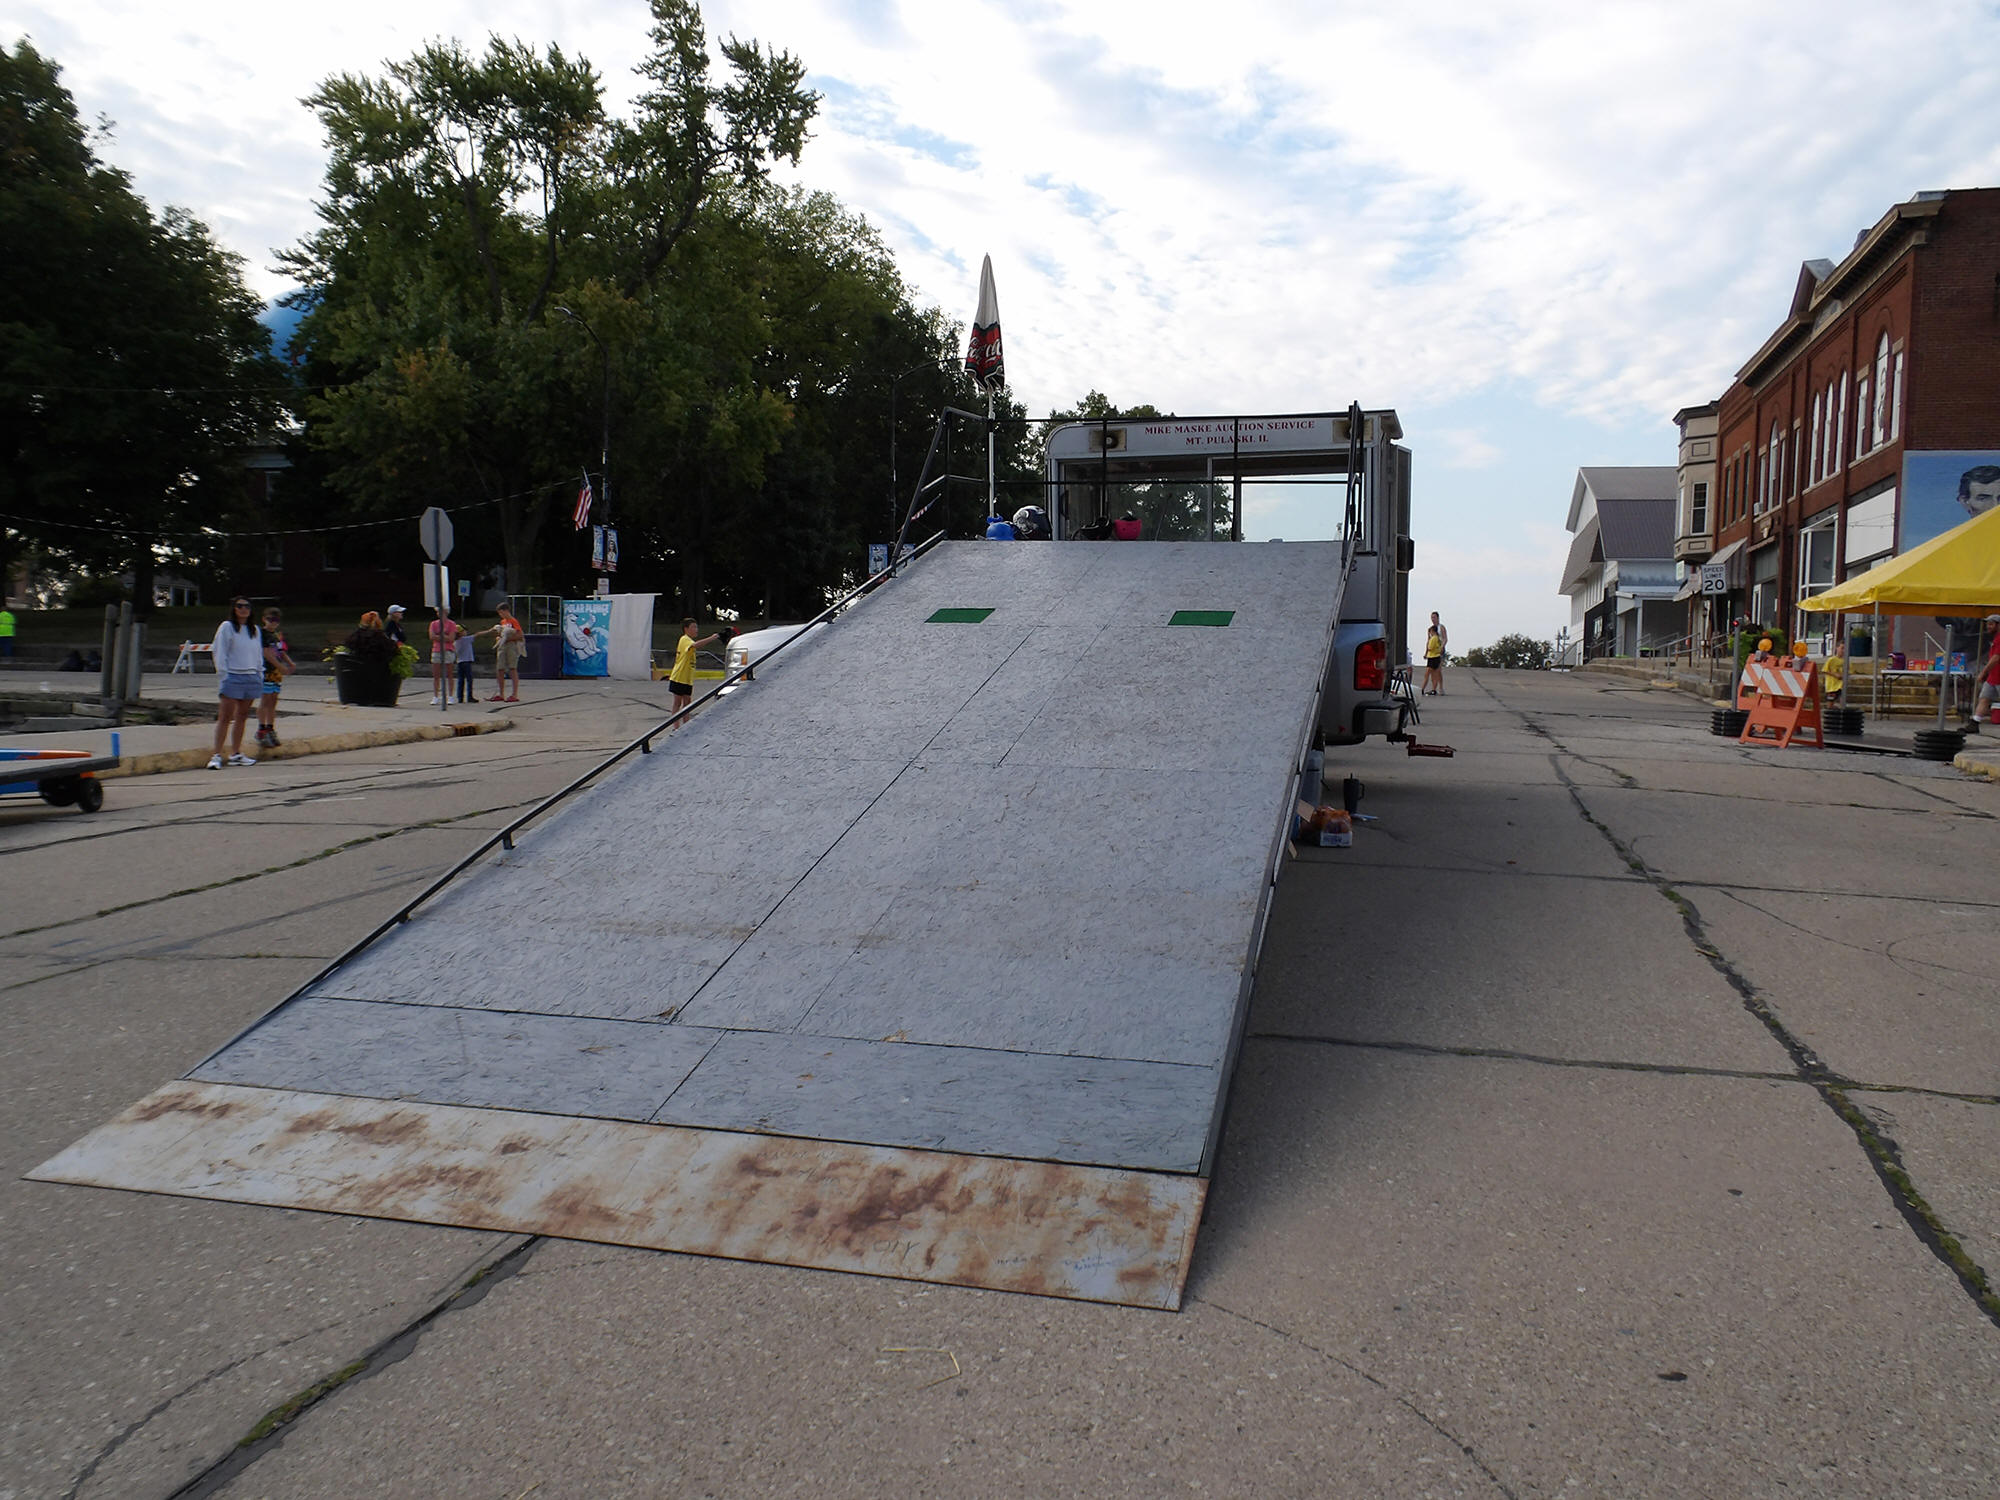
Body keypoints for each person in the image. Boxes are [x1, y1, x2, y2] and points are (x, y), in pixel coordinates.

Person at [208, 596, 275, 769]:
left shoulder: (255, 630)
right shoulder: (227, 627)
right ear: (234, 608)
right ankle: (216, 755)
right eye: (240, 606)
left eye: (247, 606)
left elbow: (258, 653)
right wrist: (223, 674)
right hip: (233, 676)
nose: (244, 609)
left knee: (242, 716)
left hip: (251, 676)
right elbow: (220, 651)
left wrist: (259, 673)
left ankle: (236, 753)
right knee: (225, 716)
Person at [254, 606, 294, 748]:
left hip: (276, 673)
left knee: (273, 700)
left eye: (276, 620)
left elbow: (280, 651)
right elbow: (266, 653)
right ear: (264, 619)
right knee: (265, 700)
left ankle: (270, 728)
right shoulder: (262, 634)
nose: (273, 622)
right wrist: (280, 666)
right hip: (266, 670)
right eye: (270, 619)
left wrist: (290, 663)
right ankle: (261, 729)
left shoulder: (276, 635)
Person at [668, 617, 720, 723]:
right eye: (693, 627)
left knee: (687, 703)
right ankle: (676, 727)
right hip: (679, 677)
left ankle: (686, 725)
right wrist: (711, 638)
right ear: (686, 629)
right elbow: (696, 645)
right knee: (677, 702)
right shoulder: (684, 639)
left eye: (696, 627)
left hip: (687, 679)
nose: (696, 629)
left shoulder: (688, 641)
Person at [427, 605, 463, 705]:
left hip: (448, 650)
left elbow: (451, 638)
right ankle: (435, 696)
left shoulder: (451, 624)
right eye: (438, 612)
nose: (439, 614)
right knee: (436, 675)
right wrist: (443, 636)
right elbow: (431, 636)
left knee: (449, 674)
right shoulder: (433, 624)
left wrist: (439, 636)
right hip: (437, 649)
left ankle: (450, 696)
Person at [489, 606, 525, 702]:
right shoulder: (503, 622)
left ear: (506, 611)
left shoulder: (513, 621)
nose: (501, 615)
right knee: (500, 669)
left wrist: (508, 639)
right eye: (499, 613)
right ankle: (501, 693)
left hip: (511, 646)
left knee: (512, 668)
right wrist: (499, 638)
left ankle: (514, 694)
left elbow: (520, 635)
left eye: (502, 612)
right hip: (502, 646)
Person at [1972, 615, 2000, 729]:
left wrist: (1983, 672)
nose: (1988, 627)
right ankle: (1975, 723)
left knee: (1985, 698)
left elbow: (1996, 658)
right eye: (1987, 624)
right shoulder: (1996, 639)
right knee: (1984, 698)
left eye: (1991, 624)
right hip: (1993, 677)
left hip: (1998, 676)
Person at [1422, 611, 1447, 695]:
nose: (1433, 619)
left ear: (1438, 618)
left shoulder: (1441, 627)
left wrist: (1442, 646)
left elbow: (1445, 638)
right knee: (1432, 671)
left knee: (1438, 670)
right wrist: (1426, 652)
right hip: (1431, 653)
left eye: (1434, 617)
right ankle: (1433, 688)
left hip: (1439, 651)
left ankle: (1440, 687)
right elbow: (1428, 641)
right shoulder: (1430, 629)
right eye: (1432, 617)